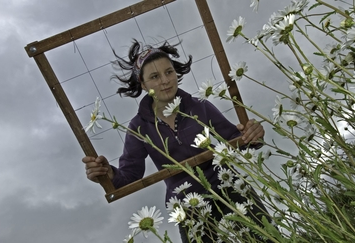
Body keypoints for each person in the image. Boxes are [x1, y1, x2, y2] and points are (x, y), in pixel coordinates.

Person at [82, 39, 269, 242]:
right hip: (188, 207)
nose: (165, 80)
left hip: (230, 188)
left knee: (266, 237)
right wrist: (108, 174)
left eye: (169, 72)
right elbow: (130, 176)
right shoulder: (139, 127)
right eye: (155, 76)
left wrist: (253, 135)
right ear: (143, 85)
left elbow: (236, 139)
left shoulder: (200, 107)